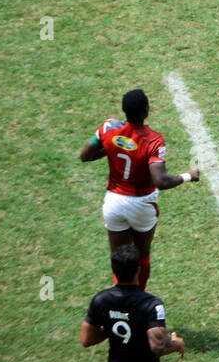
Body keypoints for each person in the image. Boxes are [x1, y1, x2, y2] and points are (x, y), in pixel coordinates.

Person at [79, 88, 199, 291]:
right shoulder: (153, 140)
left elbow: (85, 156)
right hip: (141, 203)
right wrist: (187, 176)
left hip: (114, 202)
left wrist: (111, 148)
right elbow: (161, 181)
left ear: (124, 110)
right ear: (146, 110)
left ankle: (120, 301)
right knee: (142, 254)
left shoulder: (107, 128)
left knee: (120, 258)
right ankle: (138, 299)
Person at [81, 244, 186, 362]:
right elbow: (159, 347)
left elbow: (86, 339)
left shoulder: (101, 300)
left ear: (114, 271)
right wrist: (177, 344)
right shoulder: (152, 304)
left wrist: (112, 326)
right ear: (138, 269)